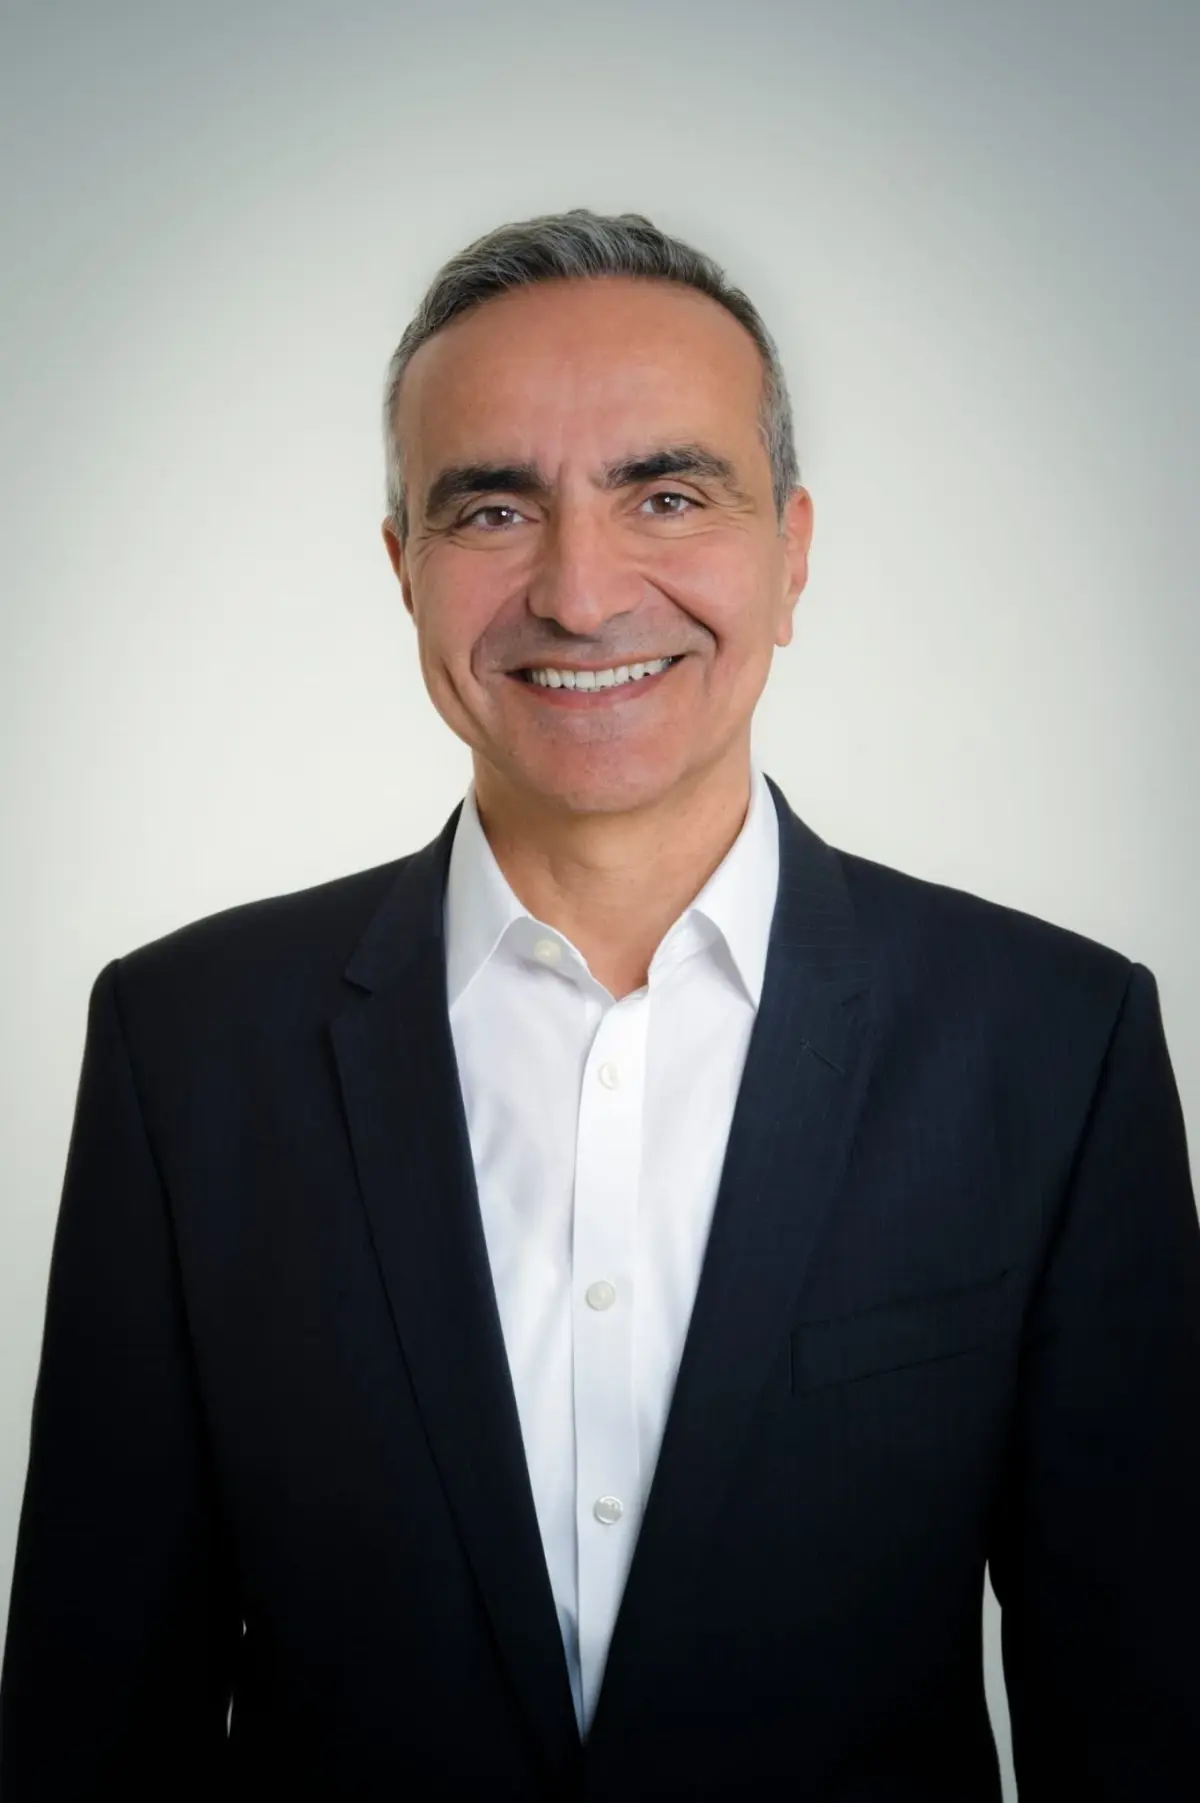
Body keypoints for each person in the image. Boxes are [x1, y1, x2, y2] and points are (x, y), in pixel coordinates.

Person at [2, 208, 1198, 1801]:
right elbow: (91, 1737)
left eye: (668, 494)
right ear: (404, 570)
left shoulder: (1055, 1047)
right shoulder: (186, 1050)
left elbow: (1143, 1729)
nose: (578, 591)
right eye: (494, 507)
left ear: (792, 552)